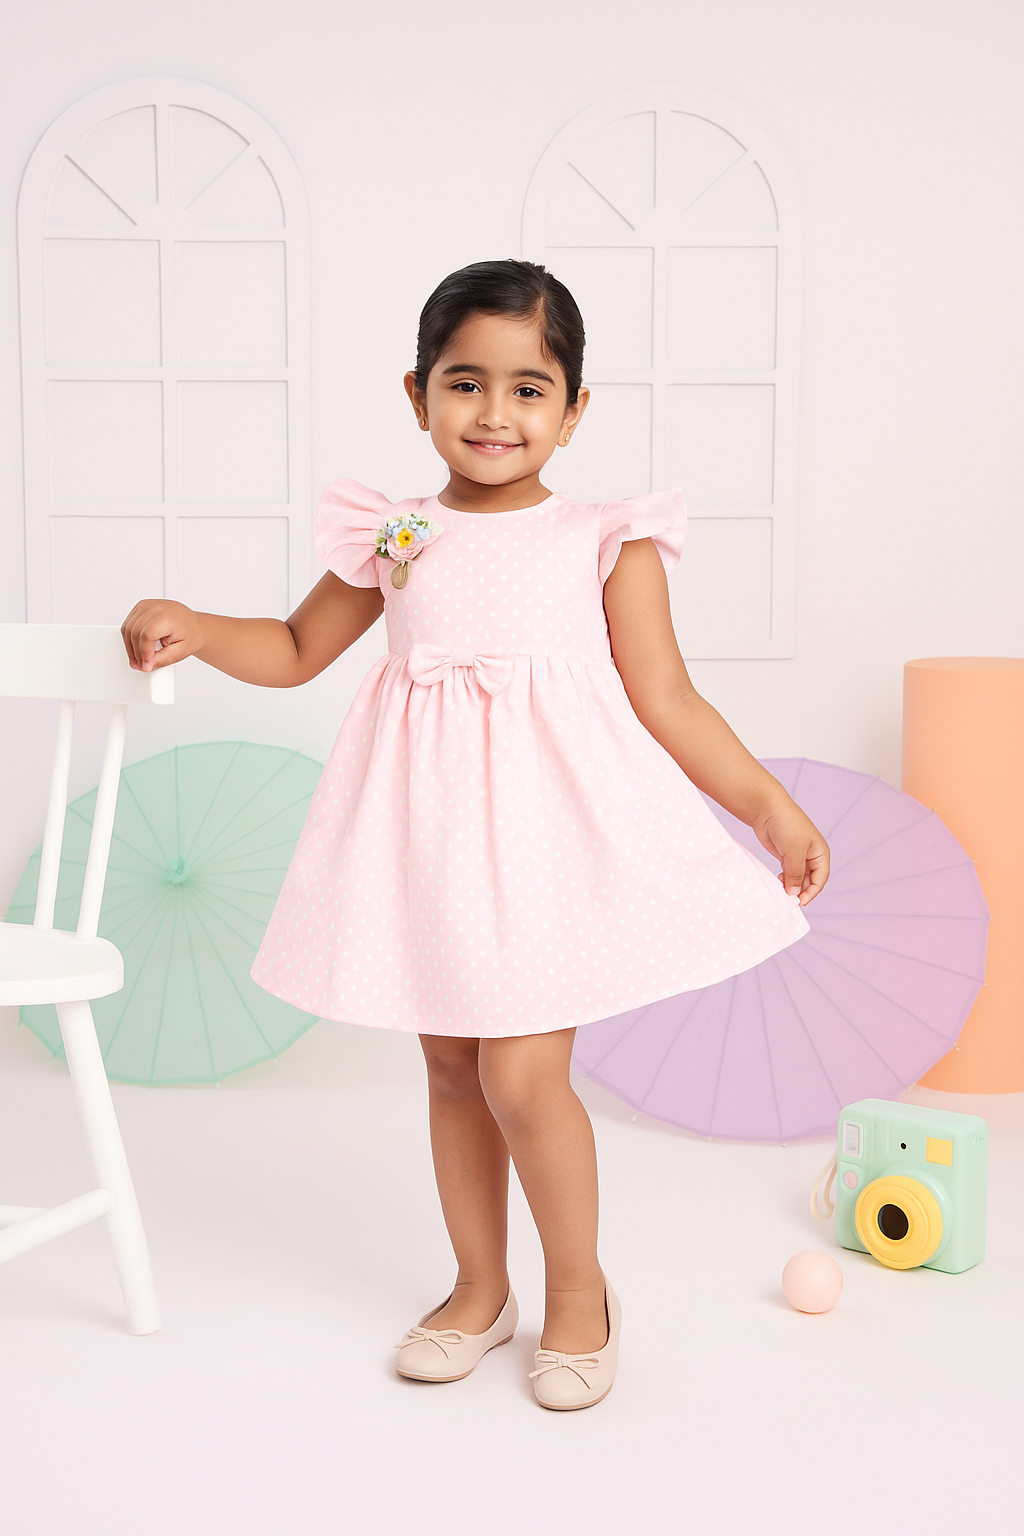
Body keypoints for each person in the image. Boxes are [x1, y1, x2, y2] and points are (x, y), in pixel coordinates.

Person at [121, 258, 829, 1411]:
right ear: (417, 395)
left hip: (549, 844)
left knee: (522, 1071)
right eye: (464, 383)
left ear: (573, 408)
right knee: (452, 1066)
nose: (494, 414)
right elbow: (298, 649)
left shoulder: (605, 536)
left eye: (527, 388)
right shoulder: (398, 534)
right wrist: (198, 626)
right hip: (430, 841)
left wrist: (767, 806)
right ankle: (478, 1288)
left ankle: (581, 1291)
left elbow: (668, 699)